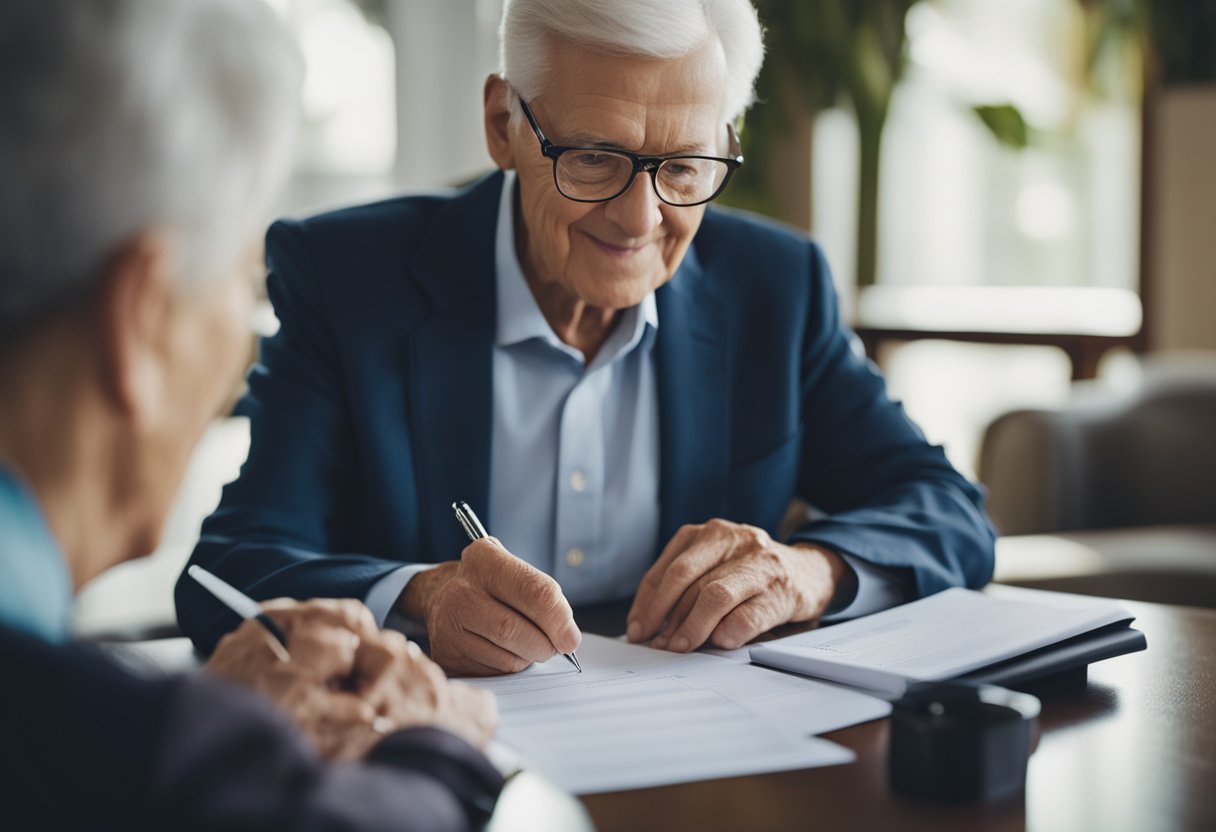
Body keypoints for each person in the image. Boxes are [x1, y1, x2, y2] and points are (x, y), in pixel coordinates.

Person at [177, 0, 997, 677]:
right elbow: (230, 570)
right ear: (502, 124)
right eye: (596, 159)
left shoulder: (774, 288)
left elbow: (947, 511)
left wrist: (807, 572)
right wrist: (419, 597)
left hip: (705, 766)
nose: (640, 220)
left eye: (684, 167)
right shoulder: (349, 279)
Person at [0, 1, 503, 828]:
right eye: (241, 283)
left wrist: (208, 725)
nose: (244, 341)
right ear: (144, 321)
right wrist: (433, 745)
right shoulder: (137, 765)